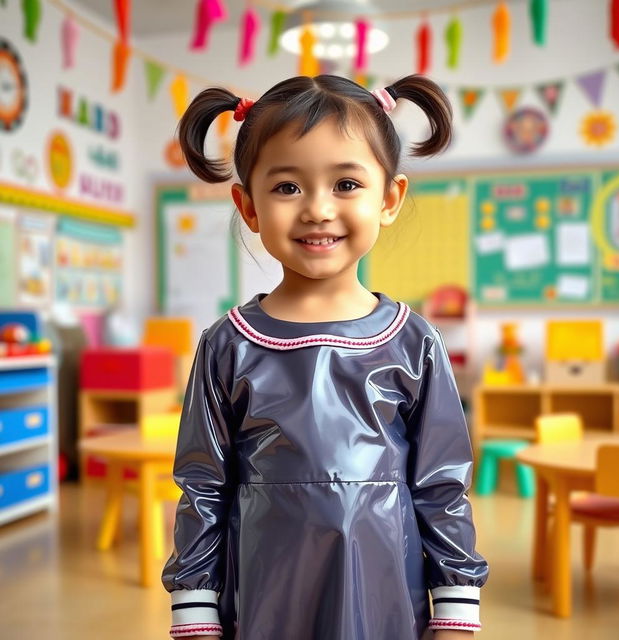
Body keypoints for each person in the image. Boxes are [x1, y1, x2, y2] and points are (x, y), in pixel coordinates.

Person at [162, 74, 488, 640]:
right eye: (287, 187)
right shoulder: (227, 344)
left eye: (345, 183)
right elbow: (202, 486)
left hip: (386, 590)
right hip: (265, 593)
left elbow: (441, 485)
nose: (317, 209)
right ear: (249, 205)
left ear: (389, 198)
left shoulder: (414, 342)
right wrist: (195, 607)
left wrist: (457, 604)